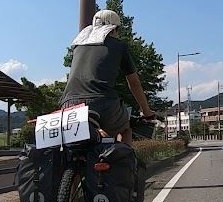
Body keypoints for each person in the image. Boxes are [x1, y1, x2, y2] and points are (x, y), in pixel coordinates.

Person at [59, 9, 155, 147]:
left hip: (68, 104)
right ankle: (122, 162)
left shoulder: (78, 47)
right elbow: (133, 82)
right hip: (103, 102)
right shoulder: (119, 46)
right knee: (126, 129)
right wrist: (146, 110)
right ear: (113, 29)